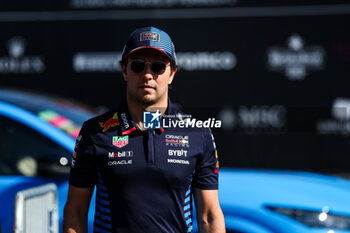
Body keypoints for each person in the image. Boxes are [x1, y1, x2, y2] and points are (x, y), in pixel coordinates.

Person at [63, 26, 225, 233]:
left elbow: (210, 215)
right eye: (138, 66)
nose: (148, 75)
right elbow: (75, 212)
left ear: (172, 73)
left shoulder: (197, 133)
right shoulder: (94, 132)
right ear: (124, 70)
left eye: (158, 67)